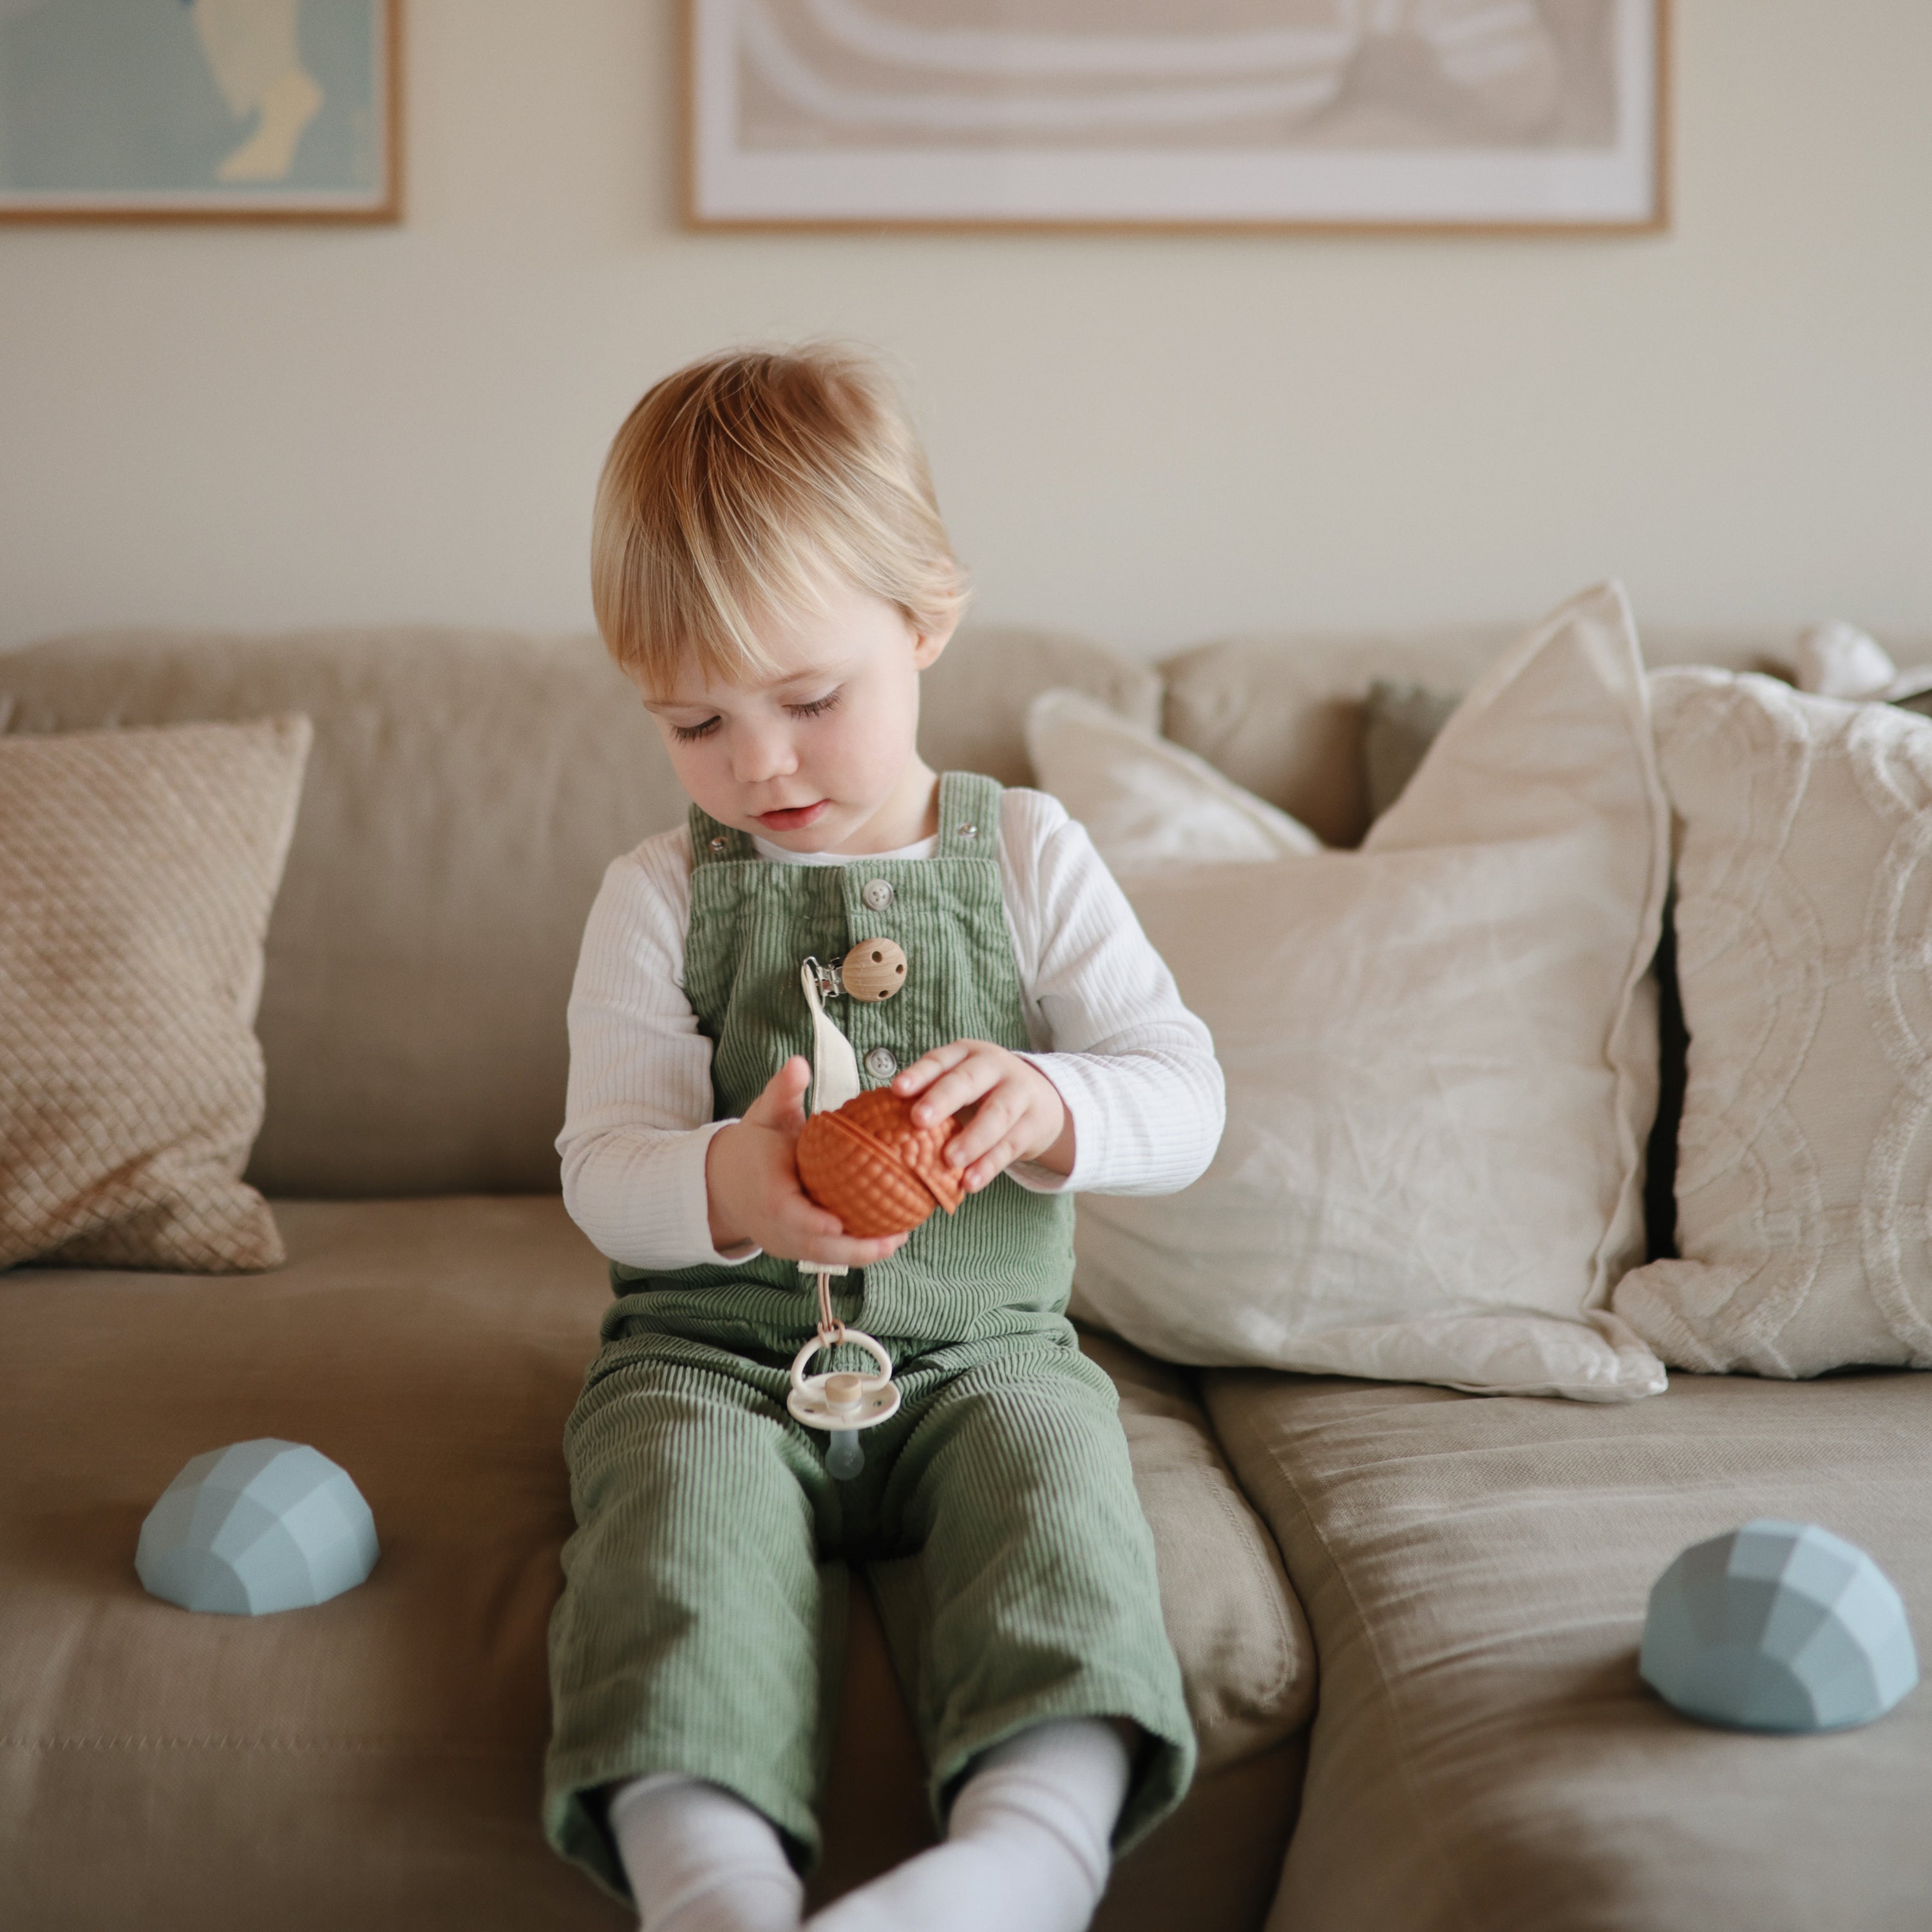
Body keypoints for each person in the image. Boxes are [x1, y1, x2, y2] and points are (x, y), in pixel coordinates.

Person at [545, 344, 1224, 1932]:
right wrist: (727, 1180)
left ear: (923, 623)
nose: (757, 764)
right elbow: (602, 1165)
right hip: (708, 1357)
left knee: (1061, 1522)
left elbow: (1184, 1092)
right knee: (670, 1553)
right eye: (694, 720)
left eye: (807, 699)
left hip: (989, 1351)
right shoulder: (658, 895)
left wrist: (1059, 1104)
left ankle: (1023, 1863)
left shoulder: (1030, 854)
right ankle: (710, 1885)